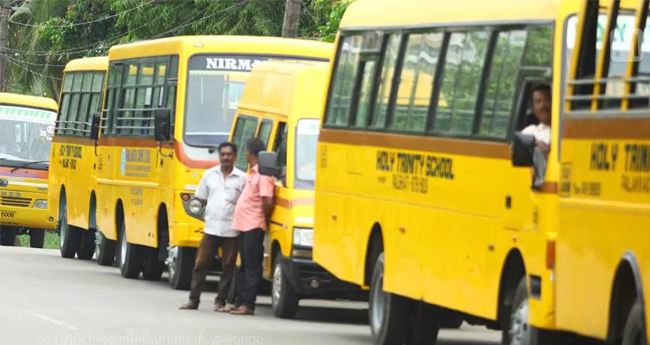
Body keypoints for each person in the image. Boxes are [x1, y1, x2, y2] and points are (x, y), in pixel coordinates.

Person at [180, 141, 247, 312]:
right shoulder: (209, 175)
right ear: (219, 156)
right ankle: (193, 300)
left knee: (228, 267)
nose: (226, 157)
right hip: (211, 228)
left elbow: (245, 203)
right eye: (223, 154)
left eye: (229, 154)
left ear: (235, 156)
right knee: (200, 264)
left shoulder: (242, 178)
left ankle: (220, 301)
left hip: (232, 230)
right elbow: (201, 199)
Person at [226, 138, 275, 316]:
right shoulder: (253, 173)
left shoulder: (263, 175)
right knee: (244, 265)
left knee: (252, 266)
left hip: (254, 225)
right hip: (245, 225)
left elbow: (267, 200)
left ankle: (248, 304)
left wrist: (263, 218)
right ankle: (239, 301)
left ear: (249, 153)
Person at [522, 83, 552, 188]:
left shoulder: (567, 132)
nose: (543, 105)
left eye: (547, 100)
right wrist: (536, 143)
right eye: (538, 102)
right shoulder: (530, 132)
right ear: (533, 109)